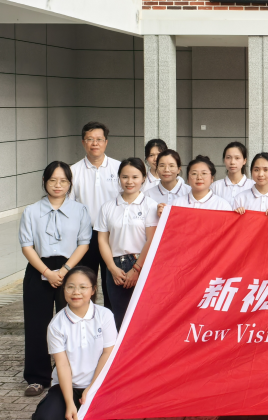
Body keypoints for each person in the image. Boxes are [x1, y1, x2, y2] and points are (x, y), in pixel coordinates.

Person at [19, 162, 92, 397]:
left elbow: (84, 243)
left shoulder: (80, 210)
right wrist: (47, 272)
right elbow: (27, 246)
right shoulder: (31, 211)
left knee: (72, 324)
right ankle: (37, 378)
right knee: (37, 325)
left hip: (70, 270)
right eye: (52, 180)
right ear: (44, 181)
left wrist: (65, 270)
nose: (58, 185)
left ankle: (70, 375)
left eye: (63, 181)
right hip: (39, 268)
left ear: (70, 184)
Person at [31, 265, 118, 420]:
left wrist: (91, 388)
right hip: (67, 387)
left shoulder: (105, 316)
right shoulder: (57, 324)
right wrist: (70, 402)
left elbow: (108, 353)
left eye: (83, 287)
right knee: (44, 419)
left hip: (98, 386)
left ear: (93, 290)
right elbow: (61, 364)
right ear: (64, 289)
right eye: (70, 287)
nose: (76, 292)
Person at [96, 158, 159, 329]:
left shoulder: (150, 205)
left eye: (135, 177)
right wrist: (112, 268)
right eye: (125, 177)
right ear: (119, 178)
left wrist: (137, 269)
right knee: (119, 318)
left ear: (143, 178)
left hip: (141, 264)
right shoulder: (108, 207)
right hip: (115, 267)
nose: (129, 181)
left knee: (143, 318)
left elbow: (151, 240)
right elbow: (102, 240)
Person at [70, 122, 121, 309]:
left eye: (99, 139)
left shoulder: (118, 168)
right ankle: (86, 317)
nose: (95, 143)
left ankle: (111, 321)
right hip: (86, 234)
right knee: (85, 281)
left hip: (112, 234)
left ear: (106, 142)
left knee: (112, 283)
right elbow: (70, 206)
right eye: (90, 139)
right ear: (83, 142)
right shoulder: (73, 171)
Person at [144, 149, 189, 213]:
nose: (166, 170)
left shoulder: (189, 192)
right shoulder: (148, 195)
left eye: (171, 166)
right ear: (157, 168)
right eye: (162, 166)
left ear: (179, 169)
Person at [211, 141, 254, 205]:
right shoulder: (215, 186)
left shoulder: (253, 186)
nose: (232, 162)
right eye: (228, 157)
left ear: (244, 161)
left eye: (237, 158)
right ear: (224, 160)